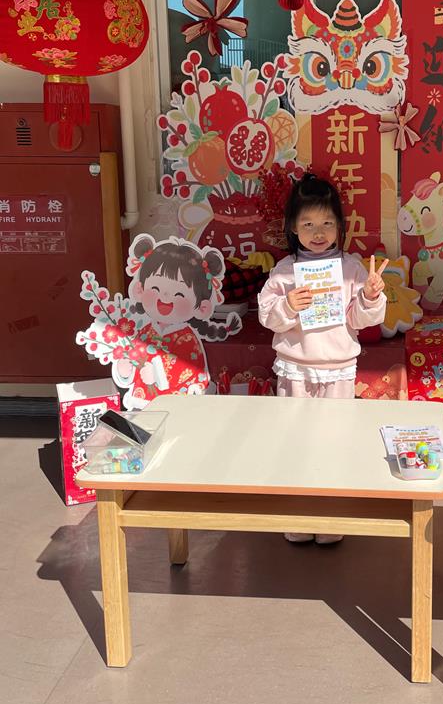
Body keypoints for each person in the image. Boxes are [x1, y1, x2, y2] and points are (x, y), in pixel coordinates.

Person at [258, 173, 388, 544]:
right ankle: (299, 518)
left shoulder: (351, 268)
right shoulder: (285, 272)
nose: (319, 233)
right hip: (296, 370)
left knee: (334, 443)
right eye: (309, 224)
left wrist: (370, 295)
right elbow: (267, 316)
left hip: (339, 371)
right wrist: (288, 305)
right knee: (294, 442)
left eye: (327, 223)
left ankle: (330, 519)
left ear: (340, 226)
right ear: (292, 227)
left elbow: (359, 320)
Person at [114, 236, 239, 409]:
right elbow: (134, 359)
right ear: (140, 290)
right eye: (155, 288)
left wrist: (156, 376)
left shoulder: (187, 340)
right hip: (142, 401)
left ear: (201, 307)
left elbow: (188, 372)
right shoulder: (144, 332)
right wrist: (124, 370)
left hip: (175, 406)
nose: (165, 297)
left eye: (179, 294)